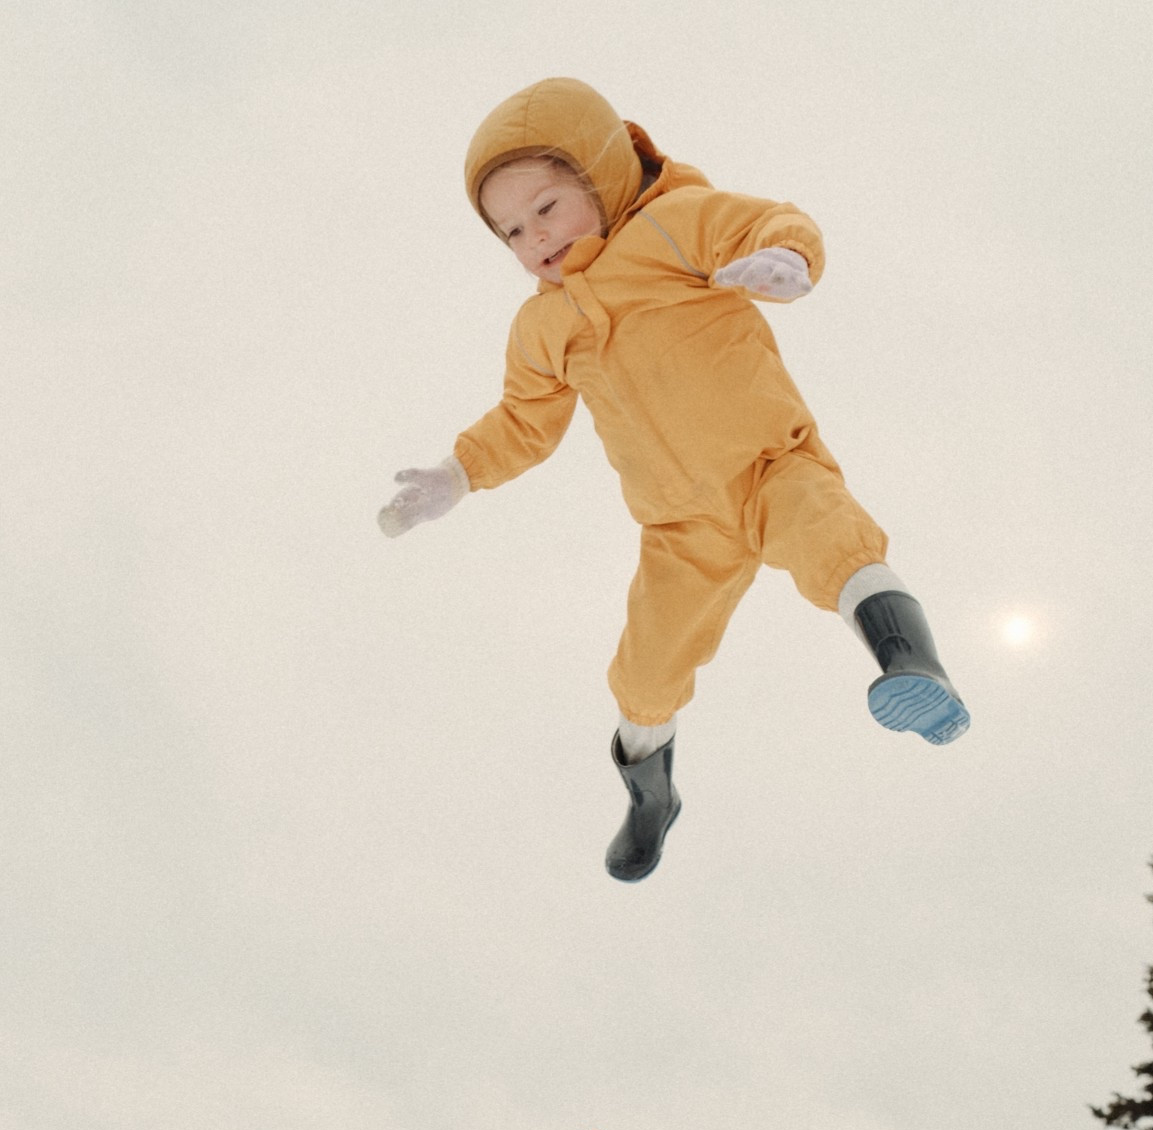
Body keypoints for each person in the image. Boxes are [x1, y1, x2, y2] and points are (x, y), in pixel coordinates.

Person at [379, 76, 971, 883]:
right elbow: (523, 421)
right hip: (676, 528)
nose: (534, 237)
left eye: (547, 207)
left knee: (834, 544)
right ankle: (651, 796)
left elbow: (769, 220)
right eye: (511, 230)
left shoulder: (673, 222)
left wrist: (784, 258)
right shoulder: (541, 327)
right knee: (644, 671)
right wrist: (458, 474)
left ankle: (911, 666)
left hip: (770, 466)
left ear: (602, 177)